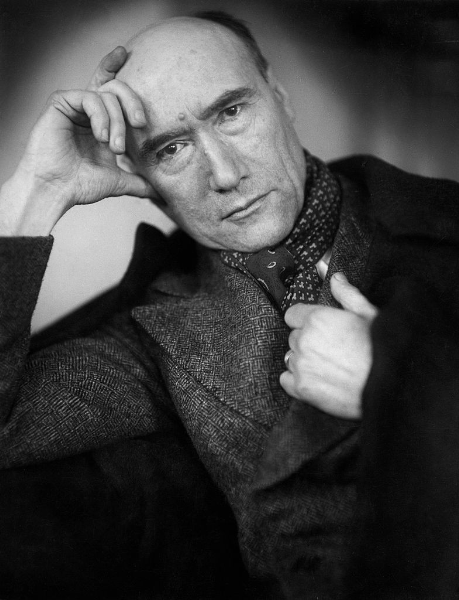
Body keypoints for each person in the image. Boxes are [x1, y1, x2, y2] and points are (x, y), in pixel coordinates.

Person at [0, 10, 458, 600]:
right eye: (171, 149)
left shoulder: (444, 225)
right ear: (143, 179)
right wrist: (37, 189)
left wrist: (391, 379)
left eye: (232, 112)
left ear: (281, 97)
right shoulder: (156, 334)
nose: (224, 174)